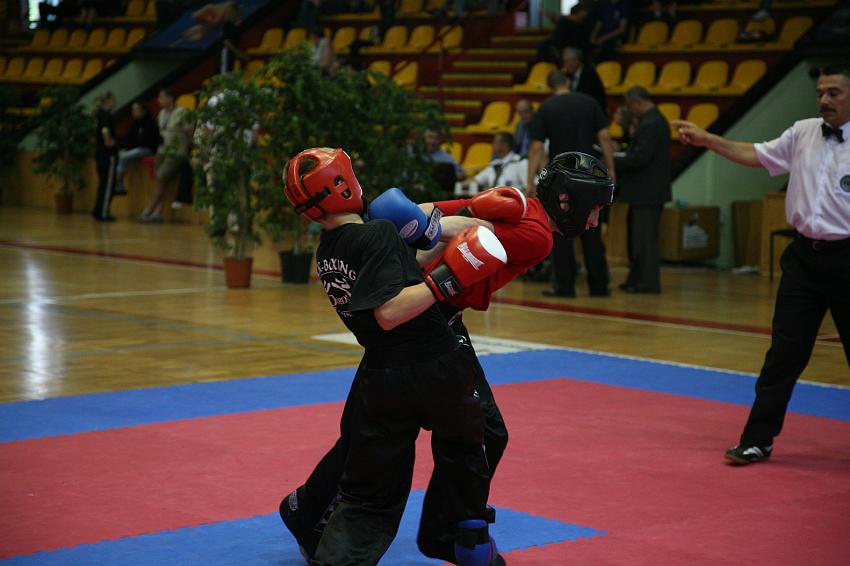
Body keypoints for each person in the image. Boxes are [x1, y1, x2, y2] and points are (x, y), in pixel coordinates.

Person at [280, 151, 615, 565]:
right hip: (422, 318)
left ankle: (310, 510)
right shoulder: (536, 233)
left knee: (371, 432)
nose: (594, 221)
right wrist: (456, 234)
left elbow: (415, 215)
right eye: (594, 209)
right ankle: (450, 532)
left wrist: (457, 217)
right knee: (470, 433)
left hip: (411, 315)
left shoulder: (334, 245)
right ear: (568, 201)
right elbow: (470, 242)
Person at [281, 147, 507, 566]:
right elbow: (389, 311)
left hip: (381, 378)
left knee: (369, 496)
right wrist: (449, 277)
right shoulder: (379, 232)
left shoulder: (330, 249)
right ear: (342, 185)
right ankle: (464, 543)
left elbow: (396, 272)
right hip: (434, 367)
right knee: (468, 453)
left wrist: (450, 242)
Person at [672, 64, 850, 465]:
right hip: (804, 261)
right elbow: (756, 154)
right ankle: (757, 439)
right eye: (820, 92)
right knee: (783, 355)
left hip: (847, 260)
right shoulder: (803, 132)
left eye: (834, 93)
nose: (824, 99)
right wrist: (708, 139)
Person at [528, 70, 616, 298]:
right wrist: (611, 170)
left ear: (551, 87)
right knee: (592, 230)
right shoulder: (589, 102)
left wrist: (530, 181)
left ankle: (564, 285)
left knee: (561, 230)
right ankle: (599, 285)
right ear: (569, 82)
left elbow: (537, 147)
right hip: (591, 177)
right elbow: (605, 137)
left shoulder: (546, 107)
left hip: (563, 180)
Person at [614, 86, 671, 294]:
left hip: (648, 192)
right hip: (645, 192)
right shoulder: (653, 121)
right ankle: (637, 279)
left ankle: (647, 282)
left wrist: (613, 160)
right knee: (638, 239)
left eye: (629, 106)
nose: (630, 111)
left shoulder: (651, 123)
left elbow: (640, 158)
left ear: (637, 102)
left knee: (645, 241)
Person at [139, 88, 192, 223]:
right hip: (162, 151)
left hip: (176, 153)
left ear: (170, 99)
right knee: (160, 181)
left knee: (160, 177)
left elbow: (190, 134)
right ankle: (158, 212)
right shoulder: (161, 113)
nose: (158, 100)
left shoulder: (183, 113)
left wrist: (188, 150)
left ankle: (149, 209)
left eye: (161, 97)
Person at [115, 101, 160, 196]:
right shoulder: (136, 123)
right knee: (121, 153)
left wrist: (129, 148)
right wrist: (122, 147)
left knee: (124, 156)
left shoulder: (150, 123)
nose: (134, 113)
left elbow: (144, 142)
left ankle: (118, 183)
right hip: (138, 148)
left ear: (143, 111)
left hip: (148, 149)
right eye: (133, 110)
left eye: (136, 110)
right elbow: (129, 138)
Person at [462, 132, 527, 192]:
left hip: (513, 199)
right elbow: (476, 181)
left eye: (495, 142)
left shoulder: (520, 162)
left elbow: (528, 188)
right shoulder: (494, 164)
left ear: (504, 144)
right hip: (493, 199)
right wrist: (459, 184)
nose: (492, 145)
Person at [91, 91, 118, 222]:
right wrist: (110, 143)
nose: (114, 103)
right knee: (108, 185)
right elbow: (105, 130)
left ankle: (97, 210)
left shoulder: (98, 115)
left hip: (99, 152)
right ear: (107, 101)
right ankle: (103, 212)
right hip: (107, 154)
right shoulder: (106, 115)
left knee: (102, 183)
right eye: (112, 100)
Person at [561, 47, 607, 113]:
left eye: (567, 62)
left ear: (577, 61)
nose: (565, 65)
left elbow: (596, 98)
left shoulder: (590, 74)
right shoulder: (565, 75)